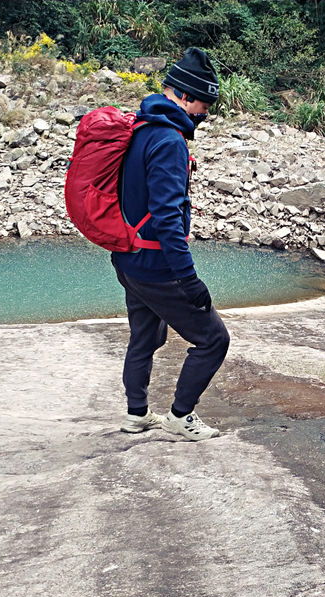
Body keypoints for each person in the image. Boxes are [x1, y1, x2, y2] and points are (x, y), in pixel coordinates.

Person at [113, 47, 230, 442]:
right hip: (155, 265)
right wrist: (189, 279)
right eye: (203, 102)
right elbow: (166, 218)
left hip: (128, 259)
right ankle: (181, 416)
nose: (206, 112)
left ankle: (136, 415)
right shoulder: (169, 141)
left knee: (146, 337)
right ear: (182, 95)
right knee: (213, 339)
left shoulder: (143, 127)